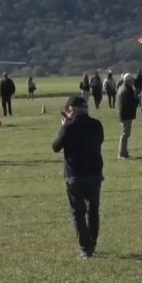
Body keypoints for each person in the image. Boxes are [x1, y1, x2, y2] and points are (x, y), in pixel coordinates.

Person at [51, 96, 104, 259]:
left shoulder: (69, 127)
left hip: (75, 175)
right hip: (94, 173)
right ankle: (92, 242)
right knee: (93, 210)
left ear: (71, 110)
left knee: (78, 212)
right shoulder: (96, 125)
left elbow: (56, 146)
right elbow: (100, 141)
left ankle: (84, 246)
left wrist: (65, 125)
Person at [116, 73, 138, 159]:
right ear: (128, 81)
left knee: (126, 133)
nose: (133, 82)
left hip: (124, 114)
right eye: (132, 80)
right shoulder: (126, 90)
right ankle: (122, 153)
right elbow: (130, 102)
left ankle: (124, 152)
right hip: (125, 114)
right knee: (125, 134)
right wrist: (137, 100)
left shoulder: (124, 88)